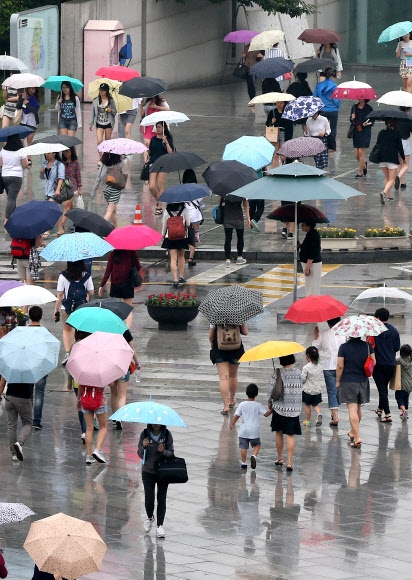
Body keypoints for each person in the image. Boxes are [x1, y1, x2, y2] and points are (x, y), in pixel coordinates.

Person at [336, 337, 375, 448]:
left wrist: (338, 381)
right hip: (363, 380)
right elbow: (374, 361)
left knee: (352, 409)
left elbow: (340, 366)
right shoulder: (367, 346)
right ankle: (353, 432)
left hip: (348, 381)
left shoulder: (344, 347)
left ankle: (358, 437)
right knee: (358, 409)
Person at [138, 423, 174, 538]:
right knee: (149, 498)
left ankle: (160, 526)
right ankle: (150, 517)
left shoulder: (167, 435)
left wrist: (163, 451)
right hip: (148, 471)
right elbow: (139, 453)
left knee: (161, 498)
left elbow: (171, 453)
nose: (156, 425)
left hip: (163, 471)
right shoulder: (144, 434)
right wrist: (143, 447)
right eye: (154, 422)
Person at [54, 260, 94, 363]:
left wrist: (56, 309)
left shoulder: (63, 276)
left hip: (67, 307)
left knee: (67, 330)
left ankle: (68, 353)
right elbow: (91, 291)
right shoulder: (86, 276)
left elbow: (60, 294)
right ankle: (78, 353)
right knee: (79, 330)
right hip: (82, 307)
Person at [268, 354, 302, 472]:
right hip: (294, 409)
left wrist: (269, 402)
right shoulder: (298, 372)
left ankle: (280, 458)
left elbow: (270, 390)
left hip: (279, 408)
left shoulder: (278, 373)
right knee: (290, 435)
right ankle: (289, 462)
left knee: (279, 433)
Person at [230, 383, 272, 470]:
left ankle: (244, 463)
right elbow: (266, 414)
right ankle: (254, 455)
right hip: (254, 430)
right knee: (257, 444)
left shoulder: (242, 404)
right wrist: (272, 409)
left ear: (246, 393)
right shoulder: (258, 405)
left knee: (243, 447)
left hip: (244, 430)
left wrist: (232, 423)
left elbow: (237, 415)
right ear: (256, 394)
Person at [313, 317, 346, 427]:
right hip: (341, 365)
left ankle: (335, 415)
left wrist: (315, 336)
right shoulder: (343, 334)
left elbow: (314, 348)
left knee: (331, 391)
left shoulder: (323, 335)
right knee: (339, 390)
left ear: (328, 323)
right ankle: (335, 411)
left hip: (328, 366)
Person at [209, 323, 248, 414]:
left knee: (223, 377)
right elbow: (245, 332)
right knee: (233, 375)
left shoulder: (215, 314)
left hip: (219, 348)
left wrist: (212, 344)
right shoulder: (239, 313)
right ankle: (231, 401)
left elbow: (211, 336)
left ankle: (225, 406)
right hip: (236, 348)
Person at [99, 249, 142, 327]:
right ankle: (127, 330)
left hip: (115, 284)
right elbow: (138, 267)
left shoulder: (113, 254)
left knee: (116, 308)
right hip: (128, 284)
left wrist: (102, 285)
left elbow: (108, 270)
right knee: (128, 309)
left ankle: (118, 327)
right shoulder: (132, 252)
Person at [372, 308, 400, 424]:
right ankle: (379, 409)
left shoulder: (374, 331)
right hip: (390, 364)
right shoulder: (394, 330)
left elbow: (370, 347)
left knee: (382, 389)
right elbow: (397, 347)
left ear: (377, 318)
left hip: (378, 365)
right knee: (383, 387)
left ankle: (387, 414)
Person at [0, 375, 33, 462]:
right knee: (28, 423)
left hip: (9, 398)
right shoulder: (30, 368)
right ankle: (20, 443)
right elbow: (36, 381)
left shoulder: (10, 366)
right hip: (24, 399)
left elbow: (1, 385)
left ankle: (14, 454)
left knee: (11, 426)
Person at [90, 152, 126, 227]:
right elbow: (123, 174)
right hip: (115, 190)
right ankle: (101, 228)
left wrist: (93, 191)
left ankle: (116, 228)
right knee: (110, 211)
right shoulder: (120, 162)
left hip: (105, 190)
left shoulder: (103, 164)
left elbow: (98, 178)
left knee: (113, 210)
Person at [374, 119, 405, 204]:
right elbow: (400, 148)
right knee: (392, 179)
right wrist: (403, 158)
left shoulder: (381, 132)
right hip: (392, 159)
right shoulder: (397, 133)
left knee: (387, 178)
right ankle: (383, 193)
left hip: (382, 159)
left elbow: (377, 144)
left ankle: (389, 196)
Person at [0, 134, 29, 224]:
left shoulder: (3, 151)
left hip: (4, 176)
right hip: (16, 177)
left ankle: (13, 217)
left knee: (12, 198)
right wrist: (28, 162)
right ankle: (7, 219)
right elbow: (25, 165)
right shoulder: (21, 151)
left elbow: (1, 164)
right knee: (11, 199)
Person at [77, 382, 108, 465]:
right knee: (103, 427)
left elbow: (80, 386)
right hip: (99, 400)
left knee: (89, 428)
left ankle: (89, 455)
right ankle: (98, 450)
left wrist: (78, 399)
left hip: (85, 400)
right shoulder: (101, 372)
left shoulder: (84, 372)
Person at [29, 306, 49, 431]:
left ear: (29, 316)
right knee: (39, 394)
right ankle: (36, 421)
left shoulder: (23, 332)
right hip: (41, 367)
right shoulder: (45, 333)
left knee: (28, 393)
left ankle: (28, 418)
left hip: (28, 367)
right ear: (41, 316)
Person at [161, 202, 190, 287]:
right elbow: (188, 224)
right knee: (181, 256)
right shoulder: (184, 210)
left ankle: (175, 280)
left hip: (170, 236)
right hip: (182, 236)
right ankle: (181, 276)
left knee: (173, 258)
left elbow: (164, 225)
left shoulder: (167, 211)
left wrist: (163, 234)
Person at [148, 121, 174, 215]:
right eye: (157, 127)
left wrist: (166, 141)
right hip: (154, 163)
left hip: (164, 164)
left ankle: (159, 206)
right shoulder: (153, 138)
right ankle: (159, 201)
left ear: (164, 128)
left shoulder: (168, 139)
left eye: (159, 127)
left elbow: (171, 152)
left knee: (160, 186)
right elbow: (151, 152)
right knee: (151, 186)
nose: (157, 129)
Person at [40, 151, 65, 236]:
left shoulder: (59, 165)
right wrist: (41, 172)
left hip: (54, 191)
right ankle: (61, 229)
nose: (47, 155)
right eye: (46, 153)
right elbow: (42, 178)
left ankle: (47, 230)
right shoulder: (45, 163)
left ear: (54, 153)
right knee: (54, 210)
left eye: (49, 153)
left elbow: (61, 177)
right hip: (47, 190)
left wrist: (58, 189)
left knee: (49, 210)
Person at [182, 169, 203, 267]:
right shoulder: (198, 189)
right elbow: (201, 204)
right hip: (195, 216)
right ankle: (191, 258)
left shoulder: (180, 189)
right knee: (193, 236)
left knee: (183, 235)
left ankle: (181, 255)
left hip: (184, 216)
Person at [312, 68, 341, 139]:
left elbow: (314, 97)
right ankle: (332, 146)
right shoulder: (334, 86)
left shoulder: (319, 85)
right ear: (332, 76)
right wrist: (338, 106)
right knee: (333, 128)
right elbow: (336, 100)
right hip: (333, 110)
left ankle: (323, 143)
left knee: (322, 127)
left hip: (322, 110)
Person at [140, 95, 170, 160]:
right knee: (146, 145)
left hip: (158, 126)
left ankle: (158, 160)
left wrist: (156, 107)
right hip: (148, 126)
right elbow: (142, 114)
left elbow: (167, 109)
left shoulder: (162, 101)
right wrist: (141, 106)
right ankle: (146, 163)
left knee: (157, 144)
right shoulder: (147, 102)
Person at [223, 197, 250, 267]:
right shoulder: (242, 191)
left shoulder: (225, 189)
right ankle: (239, 257)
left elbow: (219, 200)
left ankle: (227, 260)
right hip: (239, 218)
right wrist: (248, 217)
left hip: (227, 217)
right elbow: (245, 205)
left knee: (228, 239)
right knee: (240, 238)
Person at [265, 101, 294, 167]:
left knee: (283, 155)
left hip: (284, 134)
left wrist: (289, 138)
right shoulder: (273, 112)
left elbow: (290, 127)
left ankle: (283, 167)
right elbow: (267, 124)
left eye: (281, 103)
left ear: (284, 103)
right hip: (274, 134)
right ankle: (275, 170)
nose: (279, 105)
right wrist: (272, 122)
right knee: (275, 155)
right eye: (278, 103)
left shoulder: (287, 113)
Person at [350, 99, 374, 178]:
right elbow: (352, 120)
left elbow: (372, 121)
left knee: (361, 152)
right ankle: (364, 165)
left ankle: (359, 173)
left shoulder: (369, 108)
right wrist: (352, 118)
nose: (359, 98)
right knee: (356, 154)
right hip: (357, 131)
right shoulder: (354, 107)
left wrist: (367, 123)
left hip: (365, 132)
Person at [298, 220, 322, 296]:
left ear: (309, 226)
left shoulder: (313, 236)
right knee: (309, 284)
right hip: (309, 263)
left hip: (312, 264)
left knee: (312, 285)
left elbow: (312, 253)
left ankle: (312, 301)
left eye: (303, 224)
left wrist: (307, 268)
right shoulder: (310, 234)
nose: (302, 225)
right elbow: (307, 248)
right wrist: (300, 246)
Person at [89, 83, 117, 147]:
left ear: (106, 91)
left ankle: (106, 156)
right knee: (99, 141)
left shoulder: (111, 100)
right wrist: (91, 123)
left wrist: (111, 110)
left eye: (103, 90)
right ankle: (100, 156)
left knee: (107, 142)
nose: (101, 91)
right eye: (100, 90)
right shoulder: (96, 100)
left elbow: (115, 112)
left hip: (108, 123)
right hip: (99, 123)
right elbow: (92, 112)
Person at [301, 346, 323, 427]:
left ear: (307, 356)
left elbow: (303, 379)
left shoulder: (306, 367)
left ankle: (308, 421)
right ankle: (319, 414)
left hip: (308, 390)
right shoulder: (320, 366)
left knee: (307, 405)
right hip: (317, 390)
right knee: (315, 405)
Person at [62, 147, 82, 229]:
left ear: (71, 151)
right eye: (64, 151)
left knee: (66, 205)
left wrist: (80, 188)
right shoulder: (61, 163)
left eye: (67, 151)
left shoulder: (75, 162)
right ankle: (77, 221)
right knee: (70, 206)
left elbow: (78, 175)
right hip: (64, 187)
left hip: (73, 187)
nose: (65, 153)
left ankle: (61, 225)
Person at [20, 87, 40, 163]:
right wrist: (22, 98)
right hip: (23, 121)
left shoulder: (36, 99)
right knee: (21, 140)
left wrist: (27, 104)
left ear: (35, 90)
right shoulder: (24, 96)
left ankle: (28, 158)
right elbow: (18, 106)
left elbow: (35, 110)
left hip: (32, 122)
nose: (31, 90)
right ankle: (23, 157)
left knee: (29, 141)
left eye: (33, 89)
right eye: (30, 88)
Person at [394, 106, 412, 189]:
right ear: (408, 109)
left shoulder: (395, 117)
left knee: (399, 163)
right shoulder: (409, 118)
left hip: (396, 142)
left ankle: (402, 182)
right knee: (406, 165)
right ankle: (398, 177)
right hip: (405, 142)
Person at [396, 344, 412, 421]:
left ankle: (404, 410)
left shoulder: (399, 360)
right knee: (406, 398)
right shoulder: (410, 361)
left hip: (402, 384)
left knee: (399, 397)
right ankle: (405, 412)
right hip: (410, 384)